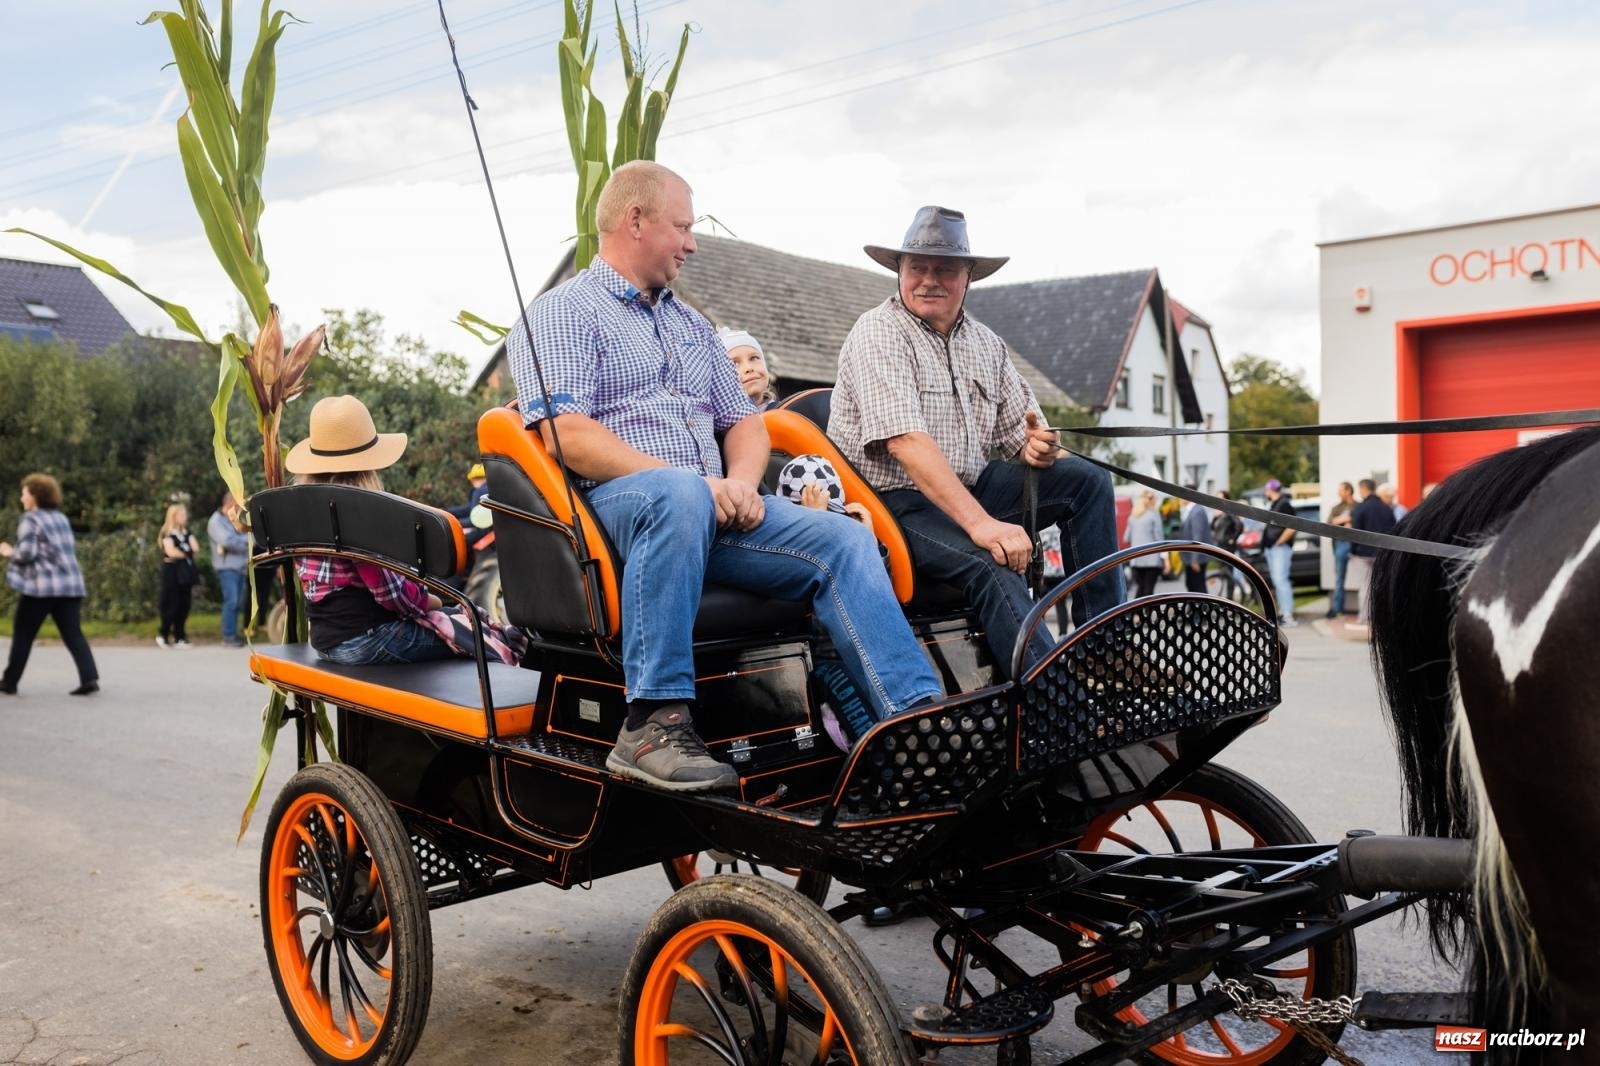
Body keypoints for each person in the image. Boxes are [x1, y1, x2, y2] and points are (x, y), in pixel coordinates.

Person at [507, 161, 944, 792]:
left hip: (708, 512)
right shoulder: (562, 312)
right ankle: (651, 723)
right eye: (682, 226)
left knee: (842, 539)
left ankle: (913, 723)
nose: (691, 242)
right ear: (636, 220)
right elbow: (566, 434)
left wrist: (739, 482)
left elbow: (745, 423)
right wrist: (699, 484)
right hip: (615, 515)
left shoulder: (690, 325)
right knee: (679, 491)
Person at [830, 205, 1124, 676]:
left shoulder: (987, 344)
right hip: (890, 503)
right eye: (916, 267)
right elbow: (906, 442)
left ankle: (1108, 651)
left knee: (1086, 482)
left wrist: (1039, 449)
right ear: (900, 271)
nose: (928, 279)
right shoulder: (878, 332)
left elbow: (1023, 438)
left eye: (944, 269)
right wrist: (983, 525)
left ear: (967, 277)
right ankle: (1060, 705)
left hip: (969, 485)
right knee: (991, 562)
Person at [286, 395, 527, 668]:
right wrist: (431, 601)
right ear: (368, 466)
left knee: (459, 620)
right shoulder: (359, 516)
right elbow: (392, 596)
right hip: (367, 641)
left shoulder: (305, 515)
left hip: (325, 642)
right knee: (477, 637)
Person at [0, 473, 100, 696]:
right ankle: (89, 677)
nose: (22, 498)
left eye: (24, 493)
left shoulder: (31, 520)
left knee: (23, 634)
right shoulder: (61, 518)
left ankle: (9, 682)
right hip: (70, 585)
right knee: (73, 633)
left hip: (41, 588)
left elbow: (27, 553)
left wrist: (8, 551)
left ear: (35, 495)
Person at [447, 462, 499, 614]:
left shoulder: (481, 490)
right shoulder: (484, 490)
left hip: (482, 532)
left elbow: (475, 517)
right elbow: (469, 510)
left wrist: (452, 521)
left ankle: (454, 580)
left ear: (475, 478)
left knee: (454, 545)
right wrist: (448, 513)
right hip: (483, 529)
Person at [1347, 477, 1396, 629]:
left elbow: (1355, 533)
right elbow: (1394, 530)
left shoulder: (1360, 508)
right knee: (1380, 585)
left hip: (1363, 554)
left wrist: (1353, 550)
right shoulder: (1387, 508)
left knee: (1365, 586)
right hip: (1382, 553)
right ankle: (1380, 617)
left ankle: (1364, 618)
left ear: (1363, 489)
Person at [207, 492, 251, 646]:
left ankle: (233, 633)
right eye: (238, 503)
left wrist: (243, 540)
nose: (240, 507)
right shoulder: (216, 521)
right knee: (231, 601)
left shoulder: (235, 518)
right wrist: (246, 541)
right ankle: (228, 636)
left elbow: (246, 534)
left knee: (238, 602)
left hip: (240, 567)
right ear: (230, 503)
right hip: (227, 568)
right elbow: (226, 541)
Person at [157, 501, 200, 647]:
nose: (184, 517)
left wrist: (183, 552)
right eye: (181, 514)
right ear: (173, 516)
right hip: (171, 572)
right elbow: (171, 552)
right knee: (170, 603)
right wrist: (186, 552)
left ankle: (180, 636)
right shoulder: (167, 533)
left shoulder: (186, 533)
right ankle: (163, 634)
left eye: (185, 514)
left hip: (185, 573)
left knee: (184, 604)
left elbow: (195, 547)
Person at [1260, 478, 1297, 627]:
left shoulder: (1284, 504)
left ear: (1270, 490)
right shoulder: (1276, 504)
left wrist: (1279, 542)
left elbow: (1293, 526)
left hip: (1279, 548)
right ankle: (1283, 612)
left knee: (1281, 580)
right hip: (1273, 548)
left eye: (1266, 489)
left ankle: (1288, 615)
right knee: (1277, 581)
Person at [1122, 490, 1166, 598]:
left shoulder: (1133, 516)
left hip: (1136, 559)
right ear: (1150, 500)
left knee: (1141, 587)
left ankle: (1135, 613)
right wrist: (1166, 559)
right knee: (1148, 590)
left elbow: (1126, 538)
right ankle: (1143, 614)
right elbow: (1159, 539)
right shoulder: (1154, 515)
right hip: (1151, 559)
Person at [719, 327, 777, 408]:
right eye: (734, 363)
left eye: (754, 358)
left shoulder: (788, 413)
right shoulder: (710, 420)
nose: (748, 368)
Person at [1325, 481, 1356, 618]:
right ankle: (1338, 608)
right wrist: (1343, 519)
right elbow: (1329, 524)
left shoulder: (1358, 506)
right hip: (1341, 543)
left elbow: (1361, 522)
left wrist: (1348, 519)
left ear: (1348, 491)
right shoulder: (1336, 508)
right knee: (1339, 577)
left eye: (1340, 490)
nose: (1338, 493)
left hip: (1357, 544)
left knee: (1366, 577)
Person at [1176, 494, 1213, 594]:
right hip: (1191, 557)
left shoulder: (1197, 511)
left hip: (1196, 558)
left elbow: (1198, 536)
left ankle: (1203, 609)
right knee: (1191, 585)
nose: (1179, 498)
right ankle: (1197, 609)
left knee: (1198, 587)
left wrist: (1194, 560)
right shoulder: (1190, 510)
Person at [1209, 489, 1243, 554]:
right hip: (1218, 545)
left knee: (1227, 563)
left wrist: (1233, 538)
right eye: (1217, 498)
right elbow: (1212, 527)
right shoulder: (1218, 512)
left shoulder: (1229, 511)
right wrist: (1215, 517)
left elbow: (1239, 525)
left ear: (1226, 499)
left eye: (1221, 498)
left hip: (1227, 546)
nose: (1218, 500)